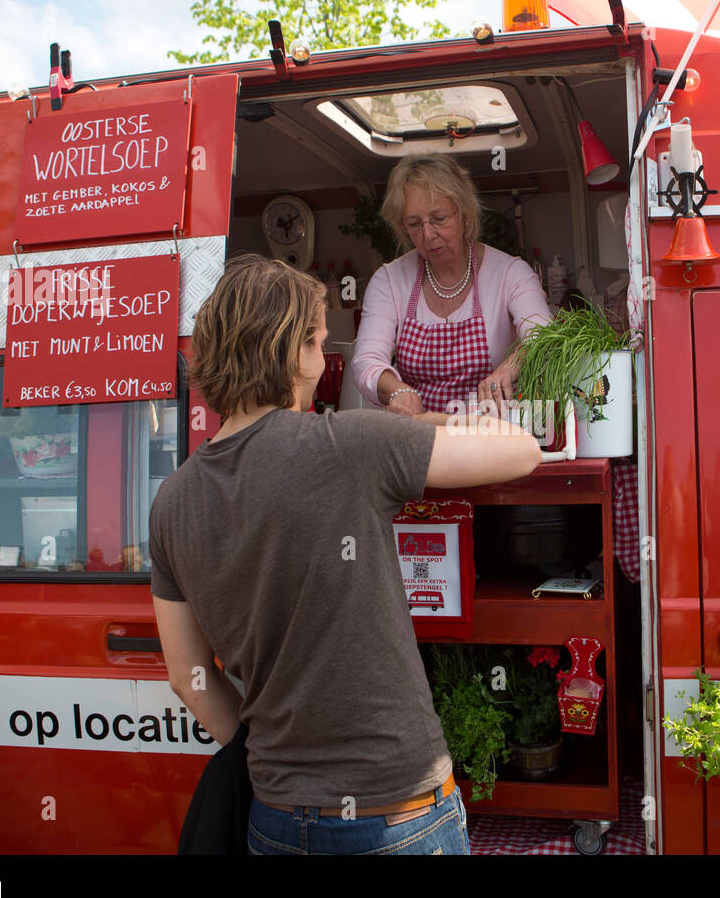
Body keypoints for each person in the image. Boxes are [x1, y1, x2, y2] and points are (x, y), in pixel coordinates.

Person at [148, 253, 542, 855]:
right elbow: (519, 450)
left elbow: (188, 677)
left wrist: (267, 758)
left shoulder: (171, 500)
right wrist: (425, 423)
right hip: (395, 810)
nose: (324, 357)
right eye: (317, 341)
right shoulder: (348, 443)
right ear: (292, 353)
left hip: (274, 815)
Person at [351, 154, 552, 415]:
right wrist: (398, 390)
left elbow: (544, 337)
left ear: (464, 212)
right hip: (420, 438)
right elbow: (367, 362)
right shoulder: (389, 280)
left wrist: (509, 368)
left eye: (439, 218)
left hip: (491, 437)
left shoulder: (510, 274)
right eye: (414, 224)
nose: (428, 235)